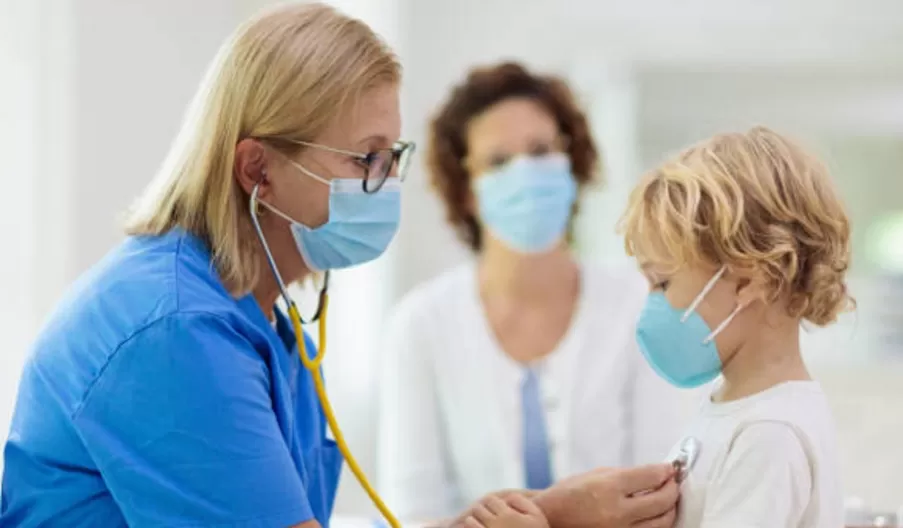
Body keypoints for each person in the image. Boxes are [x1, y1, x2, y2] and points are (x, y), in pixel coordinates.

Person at [0, 4, 679, 528]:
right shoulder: (174, 332)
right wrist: (555, 515)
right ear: (258, 169)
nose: (384, 183)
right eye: (365, 157)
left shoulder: (260, 321)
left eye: (392, 156)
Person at [377, 62, 687, 522]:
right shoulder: (422, 324)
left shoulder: (639, 304)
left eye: (541, 150)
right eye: (499, 162)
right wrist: (568, 514)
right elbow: (411, 516)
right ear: (466, 191)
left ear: (572, 162)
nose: (525, 172)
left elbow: (664, 494)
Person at [618, 126, 848, 527]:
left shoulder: (769, 435)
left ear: (749, 280)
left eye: (663, 282)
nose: (651, 302)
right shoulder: (734, 408)